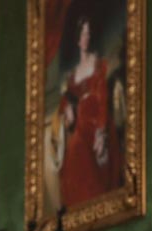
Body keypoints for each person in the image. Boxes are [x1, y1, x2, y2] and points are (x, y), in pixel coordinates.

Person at [57, 15, 122, 208]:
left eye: (88, 34)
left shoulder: (98, 64)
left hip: (97, 121)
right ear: (77, 39)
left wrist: (100, 131)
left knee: (85, 148)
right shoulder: (73, 74)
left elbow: (102, 97)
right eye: (82, 34)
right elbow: (66, 97)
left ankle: (93, 203)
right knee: (74, 150)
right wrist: (67, 107)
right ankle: (79, 207)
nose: (85, 38)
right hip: (81, 124)